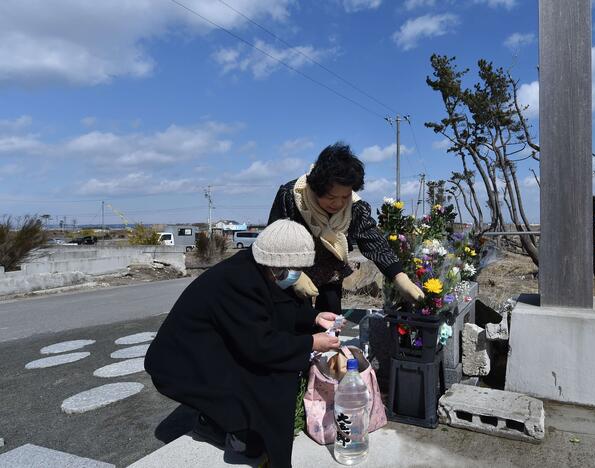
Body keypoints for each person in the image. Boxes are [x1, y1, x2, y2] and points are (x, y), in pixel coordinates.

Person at [145, 220, 342, 467]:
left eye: (297, 268)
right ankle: (215, 424)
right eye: (288, 268)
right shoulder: (238, 281)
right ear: (270, 260)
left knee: (262, 381)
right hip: (181, 362)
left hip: (214, 346)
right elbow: (261, 345)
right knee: (252, 383)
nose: (292, 274)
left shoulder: (261, 270)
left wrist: (314, 317)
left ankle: (237, 428)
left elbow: (278, 311)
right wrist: (311, 342)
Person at [268, 142, 424, 314]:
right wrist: (292, 275)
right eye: (331, 197)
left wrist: (399, 275)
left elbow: (372, 239)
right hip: (292, 266)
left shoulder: (354, 206)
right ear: (316, 188)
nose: (338, 203)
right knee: (293, 315)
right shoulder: (292, 196)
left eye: (345, 196)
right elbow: (273, 242)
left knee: (330, 317)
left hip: (330, 269)